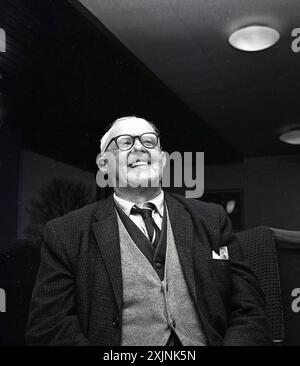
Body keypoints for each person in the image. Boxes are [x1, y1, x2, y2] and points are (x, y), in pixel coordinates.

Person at [26, 116, 272, 346]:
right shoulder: (65, 233)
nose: (139, 148)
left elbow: (249, 309)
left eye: (149, 141)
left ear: (163, 160)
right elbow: (49, 326)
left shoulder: (212, 218)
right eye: (125, 142)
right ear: (103, 164)